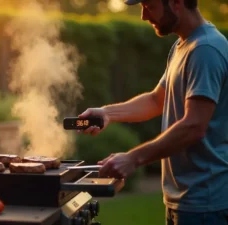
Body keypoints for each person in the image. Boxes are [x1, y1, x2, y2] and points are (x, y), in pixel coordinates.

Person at [78, 0, 228, 224]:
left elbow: (194, 126)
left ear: (177, 2)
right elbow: (156, 100)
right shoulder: (183, 46)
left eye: (149, 6)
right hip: (187, 200)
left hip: (205, 203)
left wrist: (133, 159)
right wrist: (107, 113)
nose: (144, 16)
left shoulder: (205, 50)